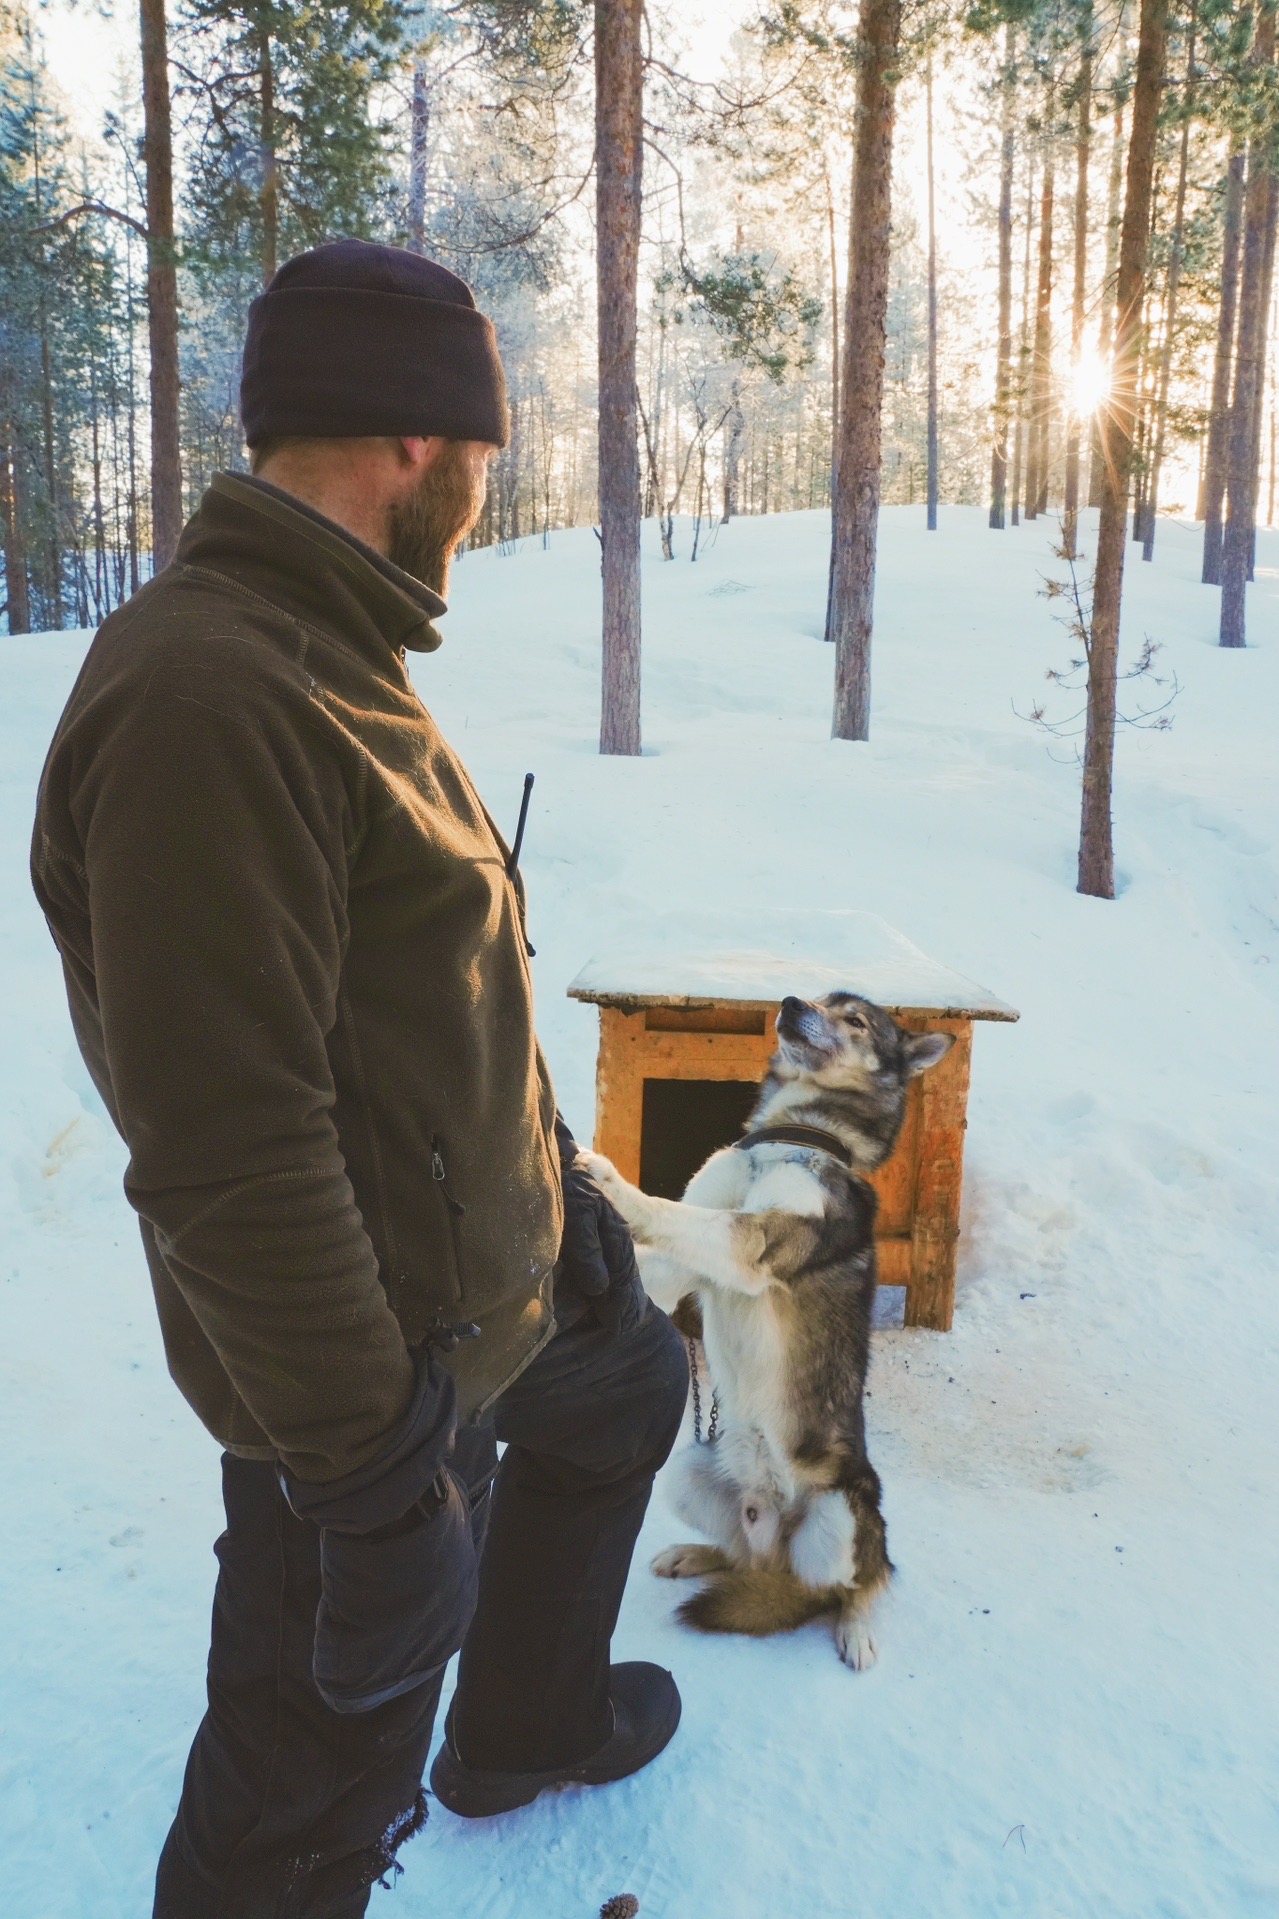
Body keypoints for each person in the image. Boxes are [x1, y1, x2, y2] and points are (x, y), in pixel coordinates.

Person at [30, 239, 688, 1918]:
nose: (486, 482)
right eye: (484, 446)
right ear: (415, 438)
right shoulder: (210, 695)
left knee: (621, 1396)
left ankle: (523, 1720)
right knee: (300, 1803)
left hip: (497, 1289)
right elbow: (231, 1155)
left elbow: (420, 991)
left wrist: (557, 1195)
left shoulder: (333, 643)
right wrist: (381, 1498)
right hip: (368, 1387)